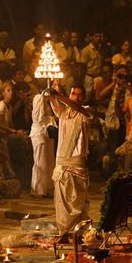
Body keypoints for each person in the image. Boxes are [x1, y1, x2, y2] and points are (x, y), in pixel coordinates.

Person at [47, 84, 92, 240]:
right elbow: (53, 101)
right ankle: (64, 232)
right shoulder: (64, 112)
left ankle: (78, 232)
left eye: (80, 94)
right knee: (61, 201)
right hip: (61, 161)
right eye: (73, 94)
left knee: (76, 200)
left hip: (77, 163)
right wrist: (52, 90)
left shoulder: (86, 112)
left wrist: (59, 95)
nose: (76, 97)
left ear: (84, 97)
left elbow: (76, 107)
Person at [30, 85, 56, 197]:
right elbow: (39, 118)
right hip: (39, 133)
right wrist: (51, 119)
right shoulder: (39, 99)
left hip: (46, 134)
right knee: (41, 161)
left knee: (49, 161)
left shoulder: (47, 103)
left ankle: (48, 187)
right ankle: (38, 188)